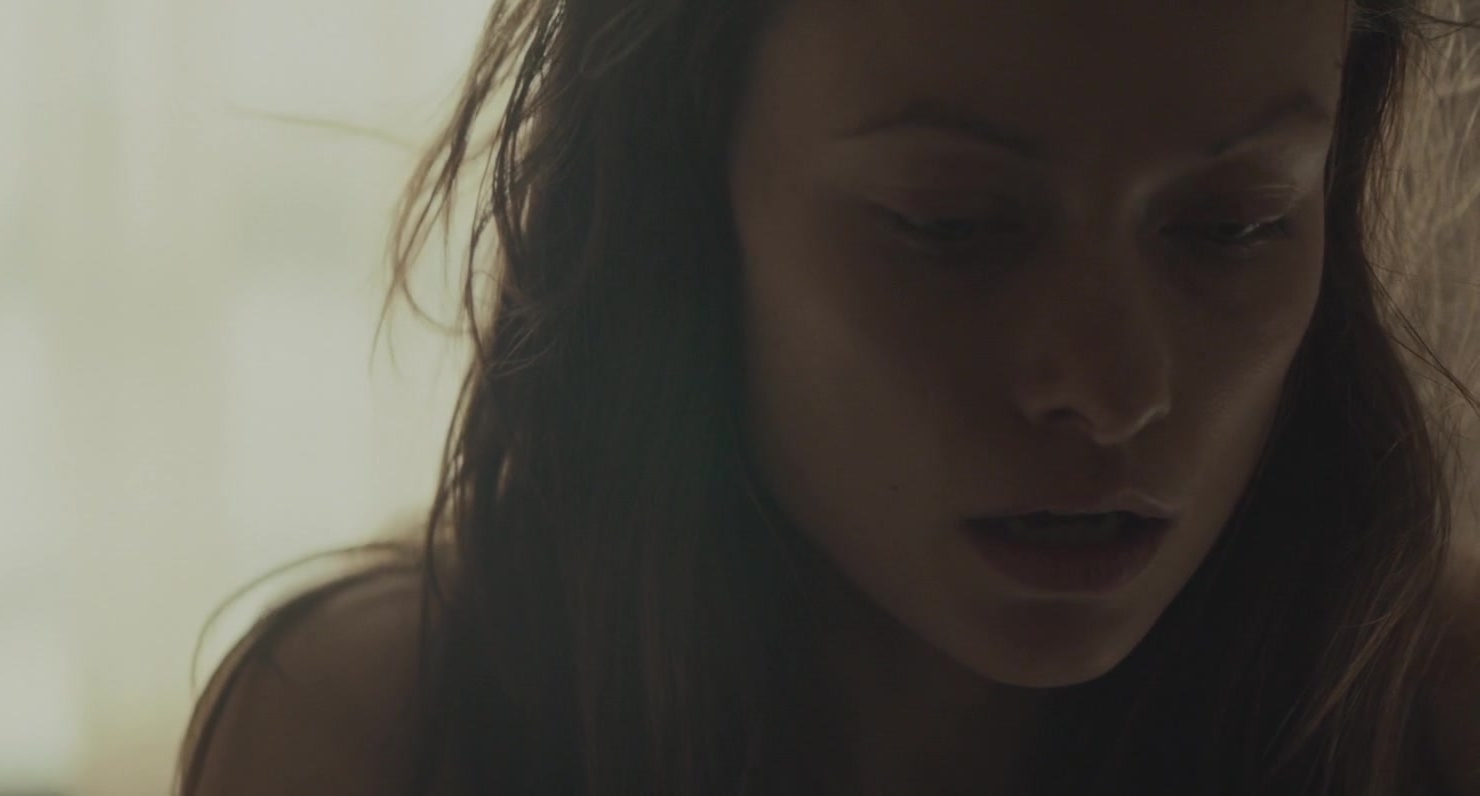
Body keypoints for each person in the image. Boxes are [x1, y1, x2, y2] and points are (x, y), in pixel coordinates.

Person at [181, 0, 1480, 792]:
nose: (1115, 389)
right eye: (952, 225)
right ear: (690, 211)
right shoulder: (376, 741)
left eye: (1233, 225)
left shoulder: (1436, 721)